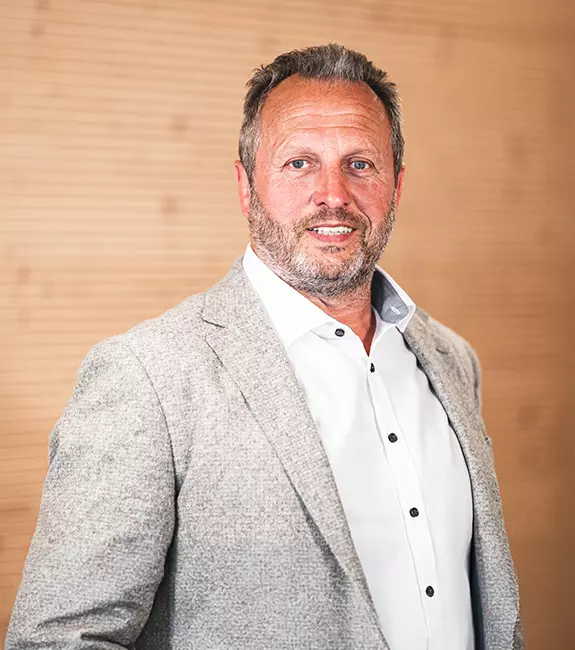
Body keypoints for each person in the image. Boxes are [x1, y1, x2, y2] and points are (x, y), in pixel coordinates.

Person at [5, 43, 522, 650]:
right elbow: (62, 639)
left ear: (397, 185)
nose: (333, 194)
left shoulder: (451, 360)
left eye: (360, 164)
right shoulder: (147, 377)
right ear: (247, 186)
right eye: (299, 163)